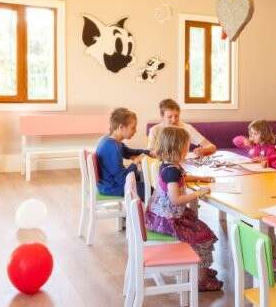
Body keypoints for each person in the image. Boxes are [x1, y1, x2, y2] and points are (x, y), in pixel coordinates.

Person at [145, 126, 223, 291]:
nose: (189, 149)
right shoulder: (172, 172)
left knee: (200, 228)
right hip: (169, 220)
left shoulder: (169, 166)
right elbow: (176, 199)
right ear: (178, 148)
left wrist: (201, 179)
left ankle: (201, 267)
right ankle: (202, 279)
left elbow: (182, 177)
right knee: (204, 236)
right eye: (187, 146)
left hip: (163, 215)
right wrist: (198, 193)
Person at [95, 108, 149, 199]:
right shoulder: (112, 147)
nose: (135, 131)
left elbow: (129, 152)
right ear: (121, 127)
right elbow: (123, 180)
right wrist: (135, 162)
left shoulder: (111, 141)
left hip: (111, 183)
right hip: (113, 187)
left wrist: (149, 152)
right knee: (147, 189)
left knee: (142, 176)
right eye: (133, 128)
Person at [146, 98, 216, 156]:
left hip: (182, 164)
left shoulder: (187, 128)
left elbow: (212, 147)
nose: (174, 120)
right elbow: (150, 153)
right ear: (162, 117)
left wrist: (204, 150)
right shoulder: (155, 130)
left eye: (176, 116)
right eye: (170, 117)